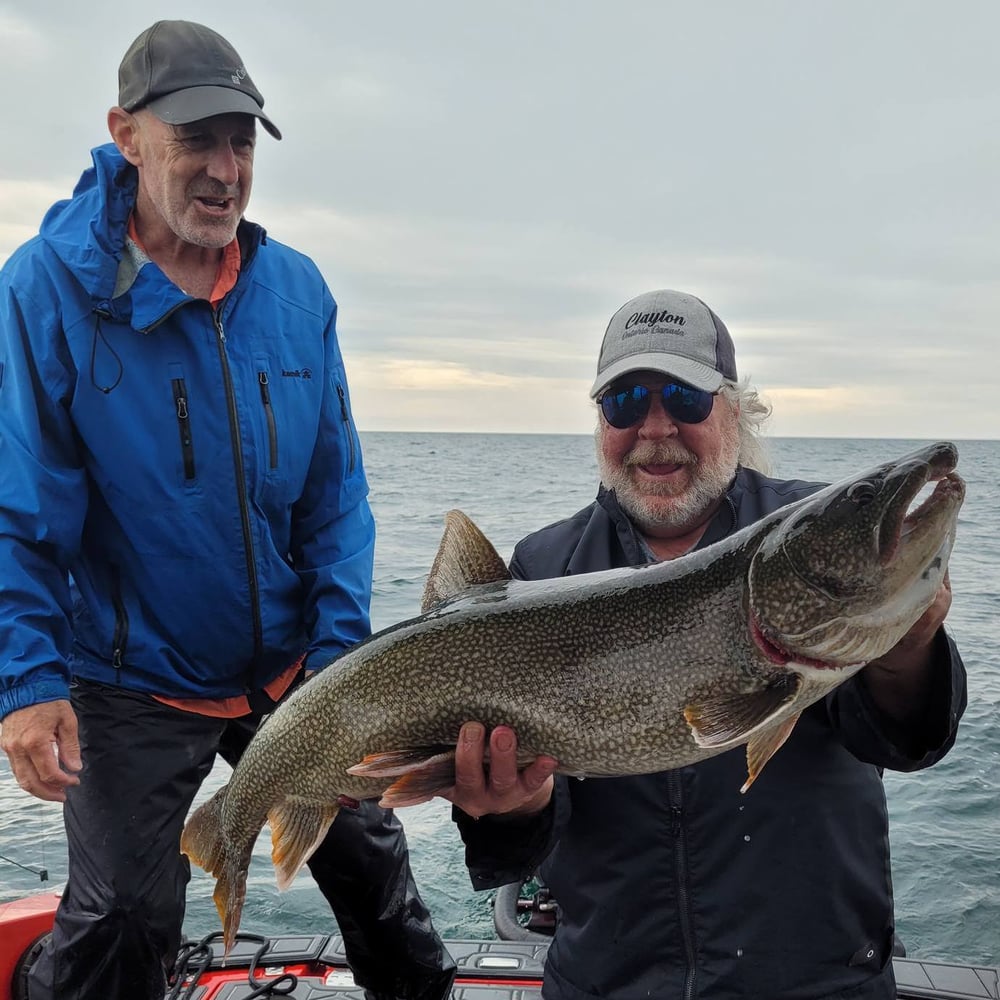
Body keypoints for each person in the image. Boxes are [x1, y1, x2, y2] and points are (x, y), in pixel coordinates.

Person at [0, 20, 454, 1000]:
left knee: (377, 878)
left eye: (241, 141)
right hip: (131, 678)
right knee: (123, 912)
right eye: (197, 138)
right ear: (126, 133)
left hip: (293, 668)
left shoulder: (296, 292)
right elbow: (22, 509)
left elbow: (336, 499)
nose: (223, 168)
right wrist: (27, 681)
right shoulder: (43, 292)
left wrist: (339, 666)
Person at [444, 288, 967, 1000]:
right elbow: (524, 838)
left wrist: (908, 651)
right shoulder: (542, 568)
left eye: (684, 400)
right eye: (625, 403)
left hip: (818, 981)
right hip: (609, 983)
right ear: (600, 422)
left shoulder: (803, 530)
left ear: (734, 409)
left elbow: (908, 741)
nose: (656, 429)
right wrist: (510, 806)